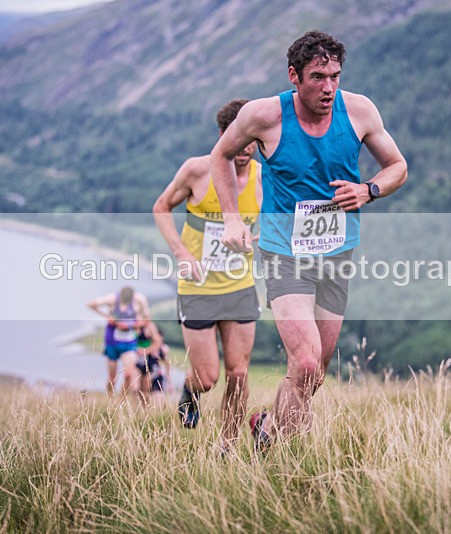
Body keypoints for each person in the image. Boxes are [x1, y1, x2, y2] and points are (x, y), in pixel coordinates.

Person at [211, 31, 408, 448]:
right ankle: (291, 465)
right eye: (318, 76)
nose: (328, 87)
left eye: (335, 75)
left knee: (311, 371)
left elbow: (397, 166)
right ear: (294, 76)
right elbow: (221, 155)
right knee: (304, 362)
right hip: (284, 252)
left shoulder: (358, 111)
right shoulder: (263, 115)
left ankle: (269, 433)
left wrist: (369, 189)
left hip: (337, 254)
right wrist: (232, 219)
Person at [152, 99, 262, 452]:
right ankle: (190, 391)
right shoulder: (197, 171)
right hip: (198, 288)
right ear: (223, 135)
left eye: (252, 142)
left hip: (240, 286)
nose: (245, 150)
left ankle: (226, 446)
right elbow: (161, 207)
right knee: (207, 377)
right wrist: (182, 253)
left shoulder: (265, 176)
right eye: (238, 140)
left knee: (239, 373)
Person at [87, 286, 151, 400]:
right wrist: (108, 317)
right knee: (112, 378)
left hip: (129, 343)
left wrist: (131, 325)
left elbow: (147, 320)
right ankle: (110, 400)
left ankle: (121, 401)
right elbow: (90, 304)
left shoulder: (140, 300)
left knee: (128, 375)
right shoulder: (111, 299)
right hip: (112, 342)